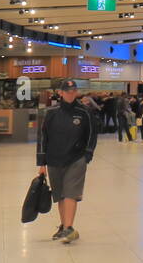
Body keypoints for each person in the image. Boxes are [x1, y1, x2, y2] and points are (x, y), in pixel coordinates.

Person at [36, 80, 98, 244]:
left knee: (71, 192)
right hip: (54, 160)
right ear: (60, 93)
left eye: (73, 91)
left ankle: (69, 227)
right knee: (60, 195)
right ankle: (64, 226)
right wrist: (41, 163)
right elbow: (43, 137)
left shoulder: (85, 112)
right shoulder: (50, 112)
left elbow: (92, 135)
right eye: (67, 91)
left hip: (76, 159)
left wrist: (87, 155)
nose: (71, 94)